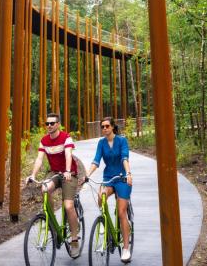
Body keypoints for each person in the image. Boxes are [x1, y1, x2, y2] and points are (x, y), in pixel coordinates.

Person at [27, 112, 81, 258]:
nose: (49, 126)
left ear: (58, 124)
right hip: (54, 173)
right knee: (44, 189)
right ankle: (52, 223)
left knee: (68, 206)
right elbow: (39, 159)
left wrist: (68, 171)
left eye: (52, 123)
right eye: (47, 124)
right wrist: (33, 175)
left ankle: (74, 240)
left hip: (69, 174)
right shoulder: (44, 140)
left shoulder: (65, 137)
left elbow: (68, 155)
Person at [86, 116, 133, 263]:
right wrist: (87, 175)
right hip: (108, 177)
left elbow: (124, 158)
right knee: (101, 196)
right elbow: (96, 160)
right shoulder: (101, 143)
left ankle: (125, 248)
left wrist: (129, 174)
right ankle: (104, 220)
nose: (104, 129)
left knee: (121, 212)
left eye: (107, 126)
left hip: (121, 178)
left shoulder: (121, 141)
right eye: (102, 127)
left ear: (113, 127)